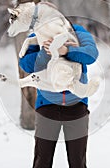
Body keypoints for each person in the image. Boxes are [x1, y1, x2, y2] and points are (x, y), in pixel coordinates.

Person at [19, 24, 98, 168]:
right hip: (46, 106)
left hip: (77, 106)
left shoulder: (78, 31)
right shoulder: (38, 35)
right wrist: (45, 52)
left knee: (78, 162)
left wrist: (66, 50)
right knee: (42, 161)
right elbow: (25, 64)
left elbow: (91, 54)